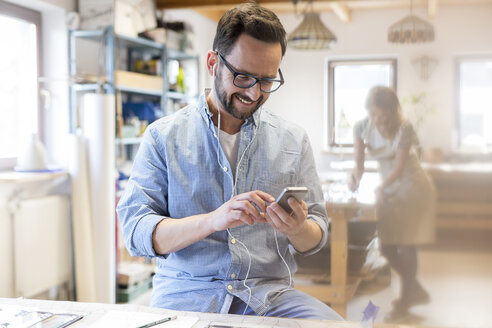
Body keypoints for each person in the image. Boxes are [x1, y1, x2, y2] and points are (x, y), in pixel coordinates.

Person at [117, 2, 341, 320]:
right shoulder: (162, 138)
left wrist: (298, 228)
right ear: (213, 63)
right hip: (187, 296)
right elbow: (135, 232)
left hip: (270, 296)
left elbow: (316, 235)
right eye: (243, 77)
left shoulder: (293, 140)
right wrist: (213, 220)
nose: (253, 93)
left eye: (266, 81)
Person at [349, 86, 436, 320]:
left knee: (406, 243)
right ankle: (414, 288)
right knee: (386, 245)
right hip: (390, 188)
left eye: (385, 116)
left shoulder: (404, 128)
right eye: (375, 115)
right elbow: (359, 163)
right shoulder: (361, 127)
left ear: (393, 111)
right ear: (369, 111)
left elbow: (398, 168)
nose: (380, 121)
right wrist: (355, 177)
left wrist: (379, 187)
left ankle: (405, 301)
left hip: (413, 187)